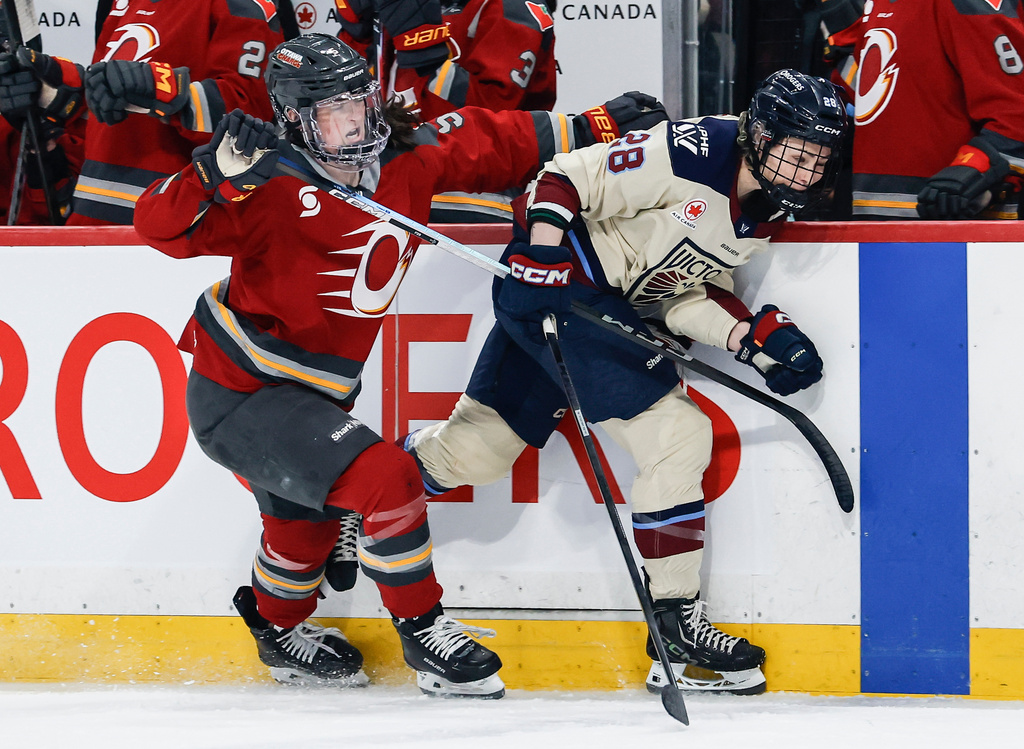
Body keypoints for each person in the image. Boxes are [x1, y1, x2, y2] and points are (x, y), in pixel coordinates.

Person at [132, 33, 667, 696]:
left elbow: (499, 141)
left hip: (314, 401)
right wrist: (212, 171)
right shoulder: (265, 180)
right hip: (239, 393)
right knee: (384, 474)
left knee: (303, 530)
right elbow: (155, 226)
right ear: (297, 119)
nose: (354, 120)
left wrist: (599, 123)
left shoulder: (406, 154)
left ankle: (276, 629)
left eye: (359, 102)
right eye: (334, 111)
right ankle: (425, 630)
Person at [403, 69, 850, 695]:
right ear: (759, 134)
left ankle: (365, 492)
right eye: (798, 153)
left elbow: (676, 289)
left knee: (473, 453)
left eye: (820, 158)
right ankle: (675, 629)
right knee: (677, 436)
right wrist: (542, 248)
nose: (807, 171)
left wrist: (750, 338)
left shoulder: (765, 210)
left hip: (590, 310)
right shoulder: (690, 152)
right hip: (565, 288)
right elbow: (561, 177)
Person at [11, 0, 286, 225]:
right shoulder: (122, 3)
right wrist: (55, 89)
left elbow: (250, 119)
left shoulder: (243, 5)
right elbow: (109, 111)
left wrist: (163, 89)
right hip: (90, 228)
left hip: (174, 233)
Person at [337, 0, 558, 222]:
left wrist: (422, 51)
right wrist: (356, 36)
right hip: (384, 190)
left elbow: (493, 118)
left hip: (471, 199)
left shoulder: (512, 6)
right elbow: (355, 101)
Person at [829, 0, 1024, 218]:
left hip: (953, 230)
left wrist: (971, 171)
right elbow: (874, 94)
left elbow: (1015, 113)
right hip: (874, 219)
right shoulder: (878, 4)